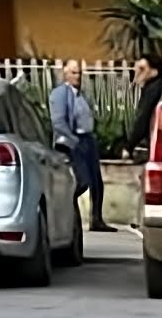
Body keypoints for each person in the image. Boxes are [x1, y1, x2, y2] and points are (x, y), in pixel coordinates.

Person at [49, 60, 114, 233]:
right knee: (82, 181)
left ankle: (97, 219)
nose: (77, 77)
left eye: (79, 73)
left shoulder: (81, 94)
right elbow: (58, 122)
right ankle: (64, 208)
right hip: (72, 141)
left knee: (97, 182)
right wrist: (73, 140)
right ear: (65, 74)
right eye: (73, 73)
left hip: (87, 138)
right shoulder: (60, 93)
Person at [124, 54, 162, 157]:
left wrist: (129, 147)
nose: (138, 72)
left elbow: (143, 118)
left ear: (154, 70)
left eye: (142, 69)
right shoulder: (158, 86)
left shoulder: (154, 90)